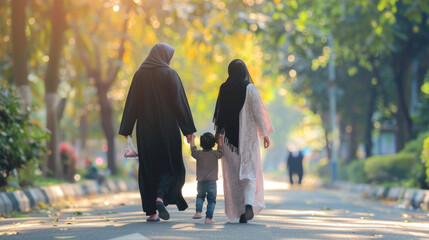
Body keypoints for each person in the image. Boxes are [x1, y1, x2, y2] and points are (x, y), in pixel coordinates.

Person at [118, 43, 196, 222]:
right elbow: (179, 103)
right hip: (168, 129)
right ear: (164, 56)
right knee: (171, 165)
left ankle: (152, 213)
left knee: (149, 169)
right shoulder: (170, 74)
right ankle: (160, 198)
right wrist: (188, 129)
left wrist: (127, 129)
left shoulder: (139, 75)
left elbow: (132, 103)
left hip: (145, 130)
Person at [213, 59, 273, 223]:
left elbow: (220, 114)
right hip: (248, 138)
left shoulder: (224, 88)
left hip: (228, 141)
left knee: (233, 175)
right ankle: (248, 206)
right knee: (250, 172)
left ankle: (240, 212)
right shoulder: (250, 88)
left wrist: (218, 134)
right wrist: (265, 134)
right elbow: (258, 113)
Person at [190, 132, 224, 224]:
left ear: (201, 144)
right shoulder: (215, 154)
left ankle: (198, 212)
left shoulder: (199, 154)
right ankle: (208, 218)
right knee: (212, 200)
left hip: (201, 181)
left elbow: (193, 150)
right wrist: (219, 140)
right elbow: (221, 150)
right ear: (214, 143)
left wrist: (192, 140)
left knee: (200, 196)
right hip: (212, 182)